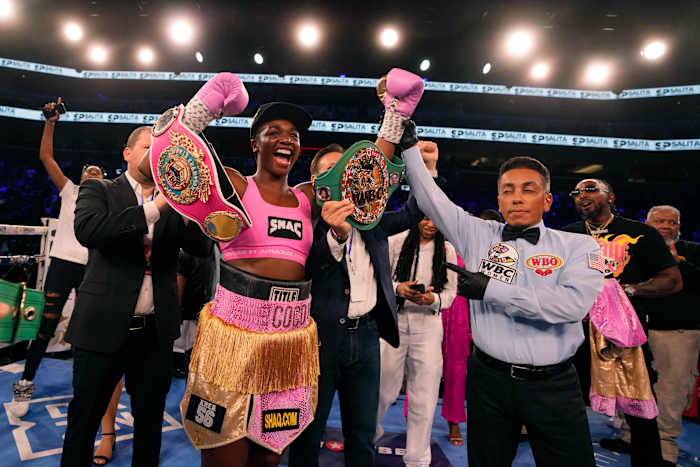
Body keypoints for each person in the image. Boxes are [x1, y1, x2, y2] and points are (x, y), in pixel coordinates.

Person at [400, 134, 605, 467]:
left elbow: (571, 307)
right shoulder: (477, 233)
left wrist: (491, 290)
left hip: (554, 386)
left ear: (548, 200)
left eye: (528, 189)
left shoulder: (579, 247)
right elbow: (429, 198)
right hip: (489, 382)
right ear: (499, 197)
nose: (516, 198)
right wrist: (408, 148)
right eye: (508, 190)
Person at [59, 125, 213, 467]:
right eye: (147, 146)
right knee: (83, 421)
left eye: (160, 148)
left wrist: (192, 205)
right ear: (127, 153)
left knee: (149, 425)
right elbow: (89, 230)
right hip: (101, 327)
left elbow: (202, 248)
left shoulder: (175, 199)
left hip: (154, 332)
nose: (155, 154)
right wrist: (156, 207)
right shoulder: (98, 188)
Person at [287, 142, 425, 467]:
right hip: (319, 341)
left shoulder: (374, 223)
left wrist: (423, 168)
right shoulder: (303, 225)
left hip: (366, 339)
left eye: (344, 172)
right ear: (316, 183)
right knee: (308, 432)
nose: (339, 182)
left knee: (362, 435)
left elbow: (414, 212)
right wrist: (335, 235)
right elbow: (307, 267)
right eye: (329, 173)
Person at [563, 179, 682, 467]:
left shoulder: (640, 233)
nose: (582, 196)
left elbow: (672, 280)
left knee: (641, 412)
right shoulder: (566, 236)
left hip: (625, 337)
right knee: (565, 408)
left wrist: (628, 290)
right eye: (576, 192)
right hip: (573, 335)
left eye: (590, 189)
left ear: (611, 197)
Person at [9, 98, 105, 417]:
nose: (92, 169)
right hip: (63, 265)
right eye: (87, 169)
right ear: (81, 177)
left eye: (98, 170)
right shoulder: (71, 192)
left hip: (93, 269)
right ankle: (25, 381)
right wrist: (50, 123)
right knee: (44, 328)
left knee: (88, 332)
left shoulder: (108, 200)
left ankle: (85, 391)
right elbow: (46, 157)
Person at [374, 217, 457, 466]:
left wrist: (434, 300)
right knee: (382, 388)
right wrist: (398, 289)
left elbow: (451, 292)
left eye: (436, 219)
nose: (431, 224)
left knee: (424, 396)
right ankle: (368, 435)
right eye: (425, 218)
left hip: (429, 325)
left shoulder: (447, 249)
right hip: (395, 322)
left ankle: (417, 459)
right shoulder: (396, 241)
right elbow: (379, 278)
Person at [645, 205, 700, 466]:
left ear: (679, 226)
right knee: (634, 388)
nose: (667, 226)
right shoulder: (636, 249)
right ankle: (629, 437)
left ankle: (665, 451)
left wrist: (678, 261)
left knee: (671, 392)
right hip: (638, 331)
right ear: (647, 223)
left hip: (678, 332)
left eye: (672, 222)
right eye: (660, 221)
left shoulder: (693, 250)